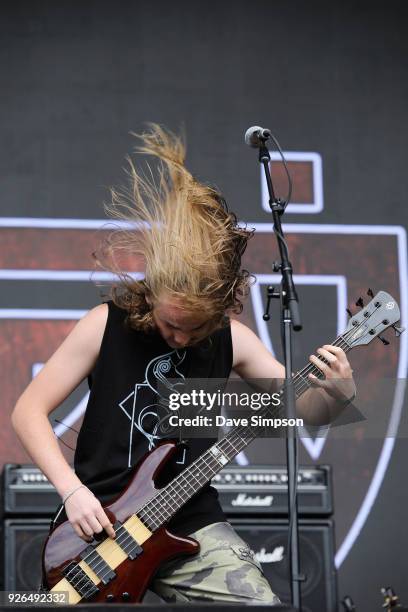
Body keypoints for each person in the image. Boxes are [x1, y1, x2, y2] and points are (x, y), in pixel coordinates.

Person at [11, 124, 355, 605]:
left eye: (196, 328)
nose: (182, 337)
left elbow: (307, 411)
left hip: (188, 518)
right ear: (152, 291)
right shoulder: (101, 326)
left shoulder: (234, 340)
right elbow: (27, 412)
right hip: (99, 521)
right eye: (172, 324)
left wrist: (338, 394)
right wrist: (71, 492)